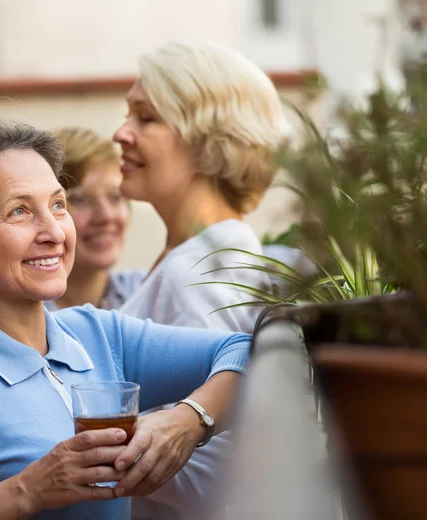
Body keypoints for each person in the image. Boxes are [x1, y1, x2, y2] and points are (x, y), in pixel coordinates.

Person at [0, 122, 251, 520]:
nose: (54, 232)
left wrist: (189, 420)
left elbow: (252, 349)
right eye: (20, 211)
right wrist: (26, 491)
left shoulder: (99, 335)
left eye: (58, 205)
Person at [112, 40, 289, 519]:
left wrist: (74, 439)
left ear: (207, 141)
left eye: (146, 119)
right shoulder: (191, 255)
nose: (120, 133)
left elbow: (220, 468)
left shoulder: (204, 265)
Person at [45, 127, 145, 312]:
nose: (106, 216)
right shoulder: (16, 317)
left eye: (115, 197)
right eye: (81, 200)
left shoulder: (149, 294)